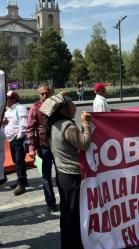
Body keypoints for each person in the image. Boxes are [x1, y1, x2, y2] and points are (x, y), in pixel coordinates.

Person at [40, 92, 92, 249]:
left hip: (62, 174)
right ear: (63, 110)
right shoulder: (67, 126)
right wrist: (86, 124)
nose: (74, 105)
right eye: (70, 103)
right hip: (72, 176)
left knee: (67, 212)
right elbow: (84, 144)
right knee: (74, 214)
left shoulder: (53, 124)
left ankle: (67, 244)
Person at [26, 83, 58, 212]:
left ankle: (66, 201)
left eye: (47, 93)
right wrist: (32, 148)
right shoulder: (35, 107)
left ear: (51, 93)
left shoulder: (57, 105)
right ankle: (51, 204)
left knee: (62, 175)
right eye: (42, 94)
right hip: (43, 147)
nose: (45, 96)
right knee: (46, 176)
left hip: (58, 146)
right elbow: (30, 129)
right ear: (39, 94)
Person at [4, 91, 29, 195]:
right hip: (11, 139)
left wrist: (19, 136)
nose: (6, 100)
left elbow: (23, 123)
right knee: (16, 161)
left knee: (19, 161)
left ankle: (21, 185)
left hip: (17, 139)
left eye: (8, 98)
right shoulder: (8, 110)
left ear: (14, 99)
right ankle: (22, 180)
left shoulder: (20, 108)